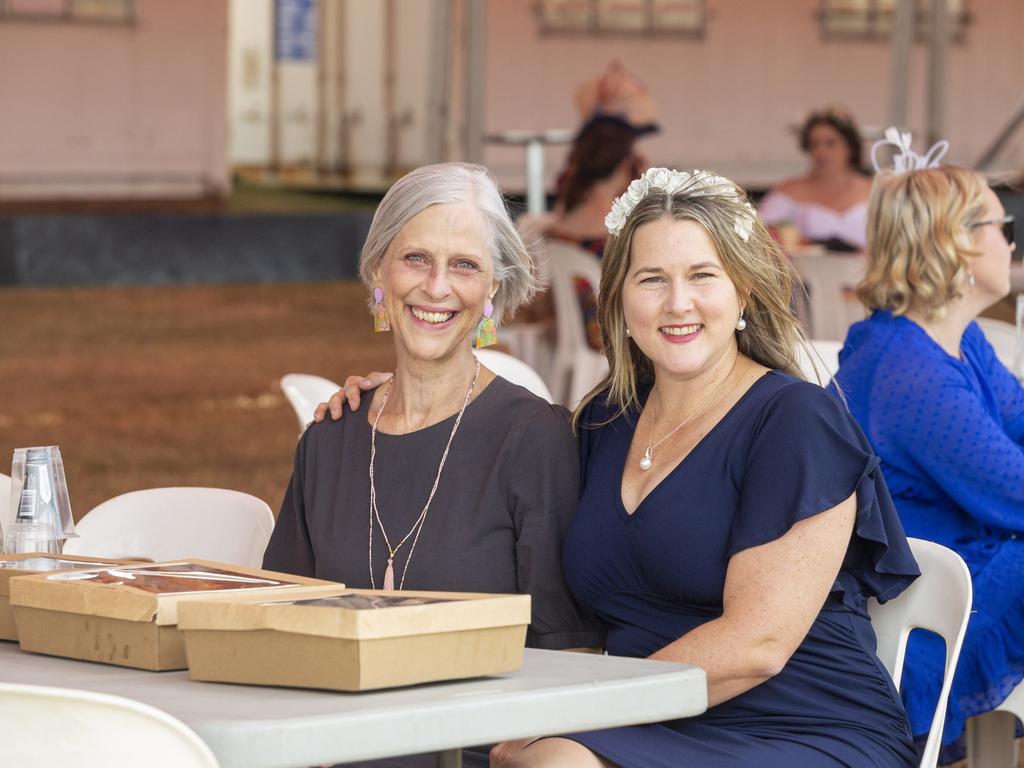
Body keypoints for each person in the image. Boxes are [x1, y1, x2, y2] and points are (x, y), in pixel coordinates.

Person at [328, 168, 921, 767]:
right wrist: (403, 395)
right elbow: (494, 466)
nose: (677, 302)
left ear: (742, 293)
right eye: (652, 279)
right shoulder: (603, 424)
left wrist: (576, 708)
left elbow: (757, 645)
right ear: (620, 299)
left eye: (701, 276)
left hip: (802, 724)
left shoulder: (795, 420)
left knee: (546, 761)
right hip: (649, 720)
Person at [263, 162, 602, 655]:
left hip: (484, 726)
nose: (437, 287)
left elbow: (571, 653)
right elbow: (279, 627)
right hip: (336, 722)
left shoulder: (535, 440)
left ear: (492, 287)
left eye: (465, 264)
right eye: (416, 258)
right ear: (379, 270)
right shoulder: (330, 438)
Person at [831, 131, 1021, 761]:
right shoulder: (909, 370)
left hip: (970, 560)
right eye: (1001, 224)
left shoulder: (956, 340)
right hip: (923, 600)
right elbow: (1015, 492)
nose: (1013, 238)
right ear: (958, 244)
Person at [759, 107, 873, 252]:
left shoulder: (875, 189)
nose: (821, 152)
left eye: (830, 143)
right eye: (814, 144)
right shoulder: (790, 190)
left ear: (850, 146)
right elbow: (760, 233)